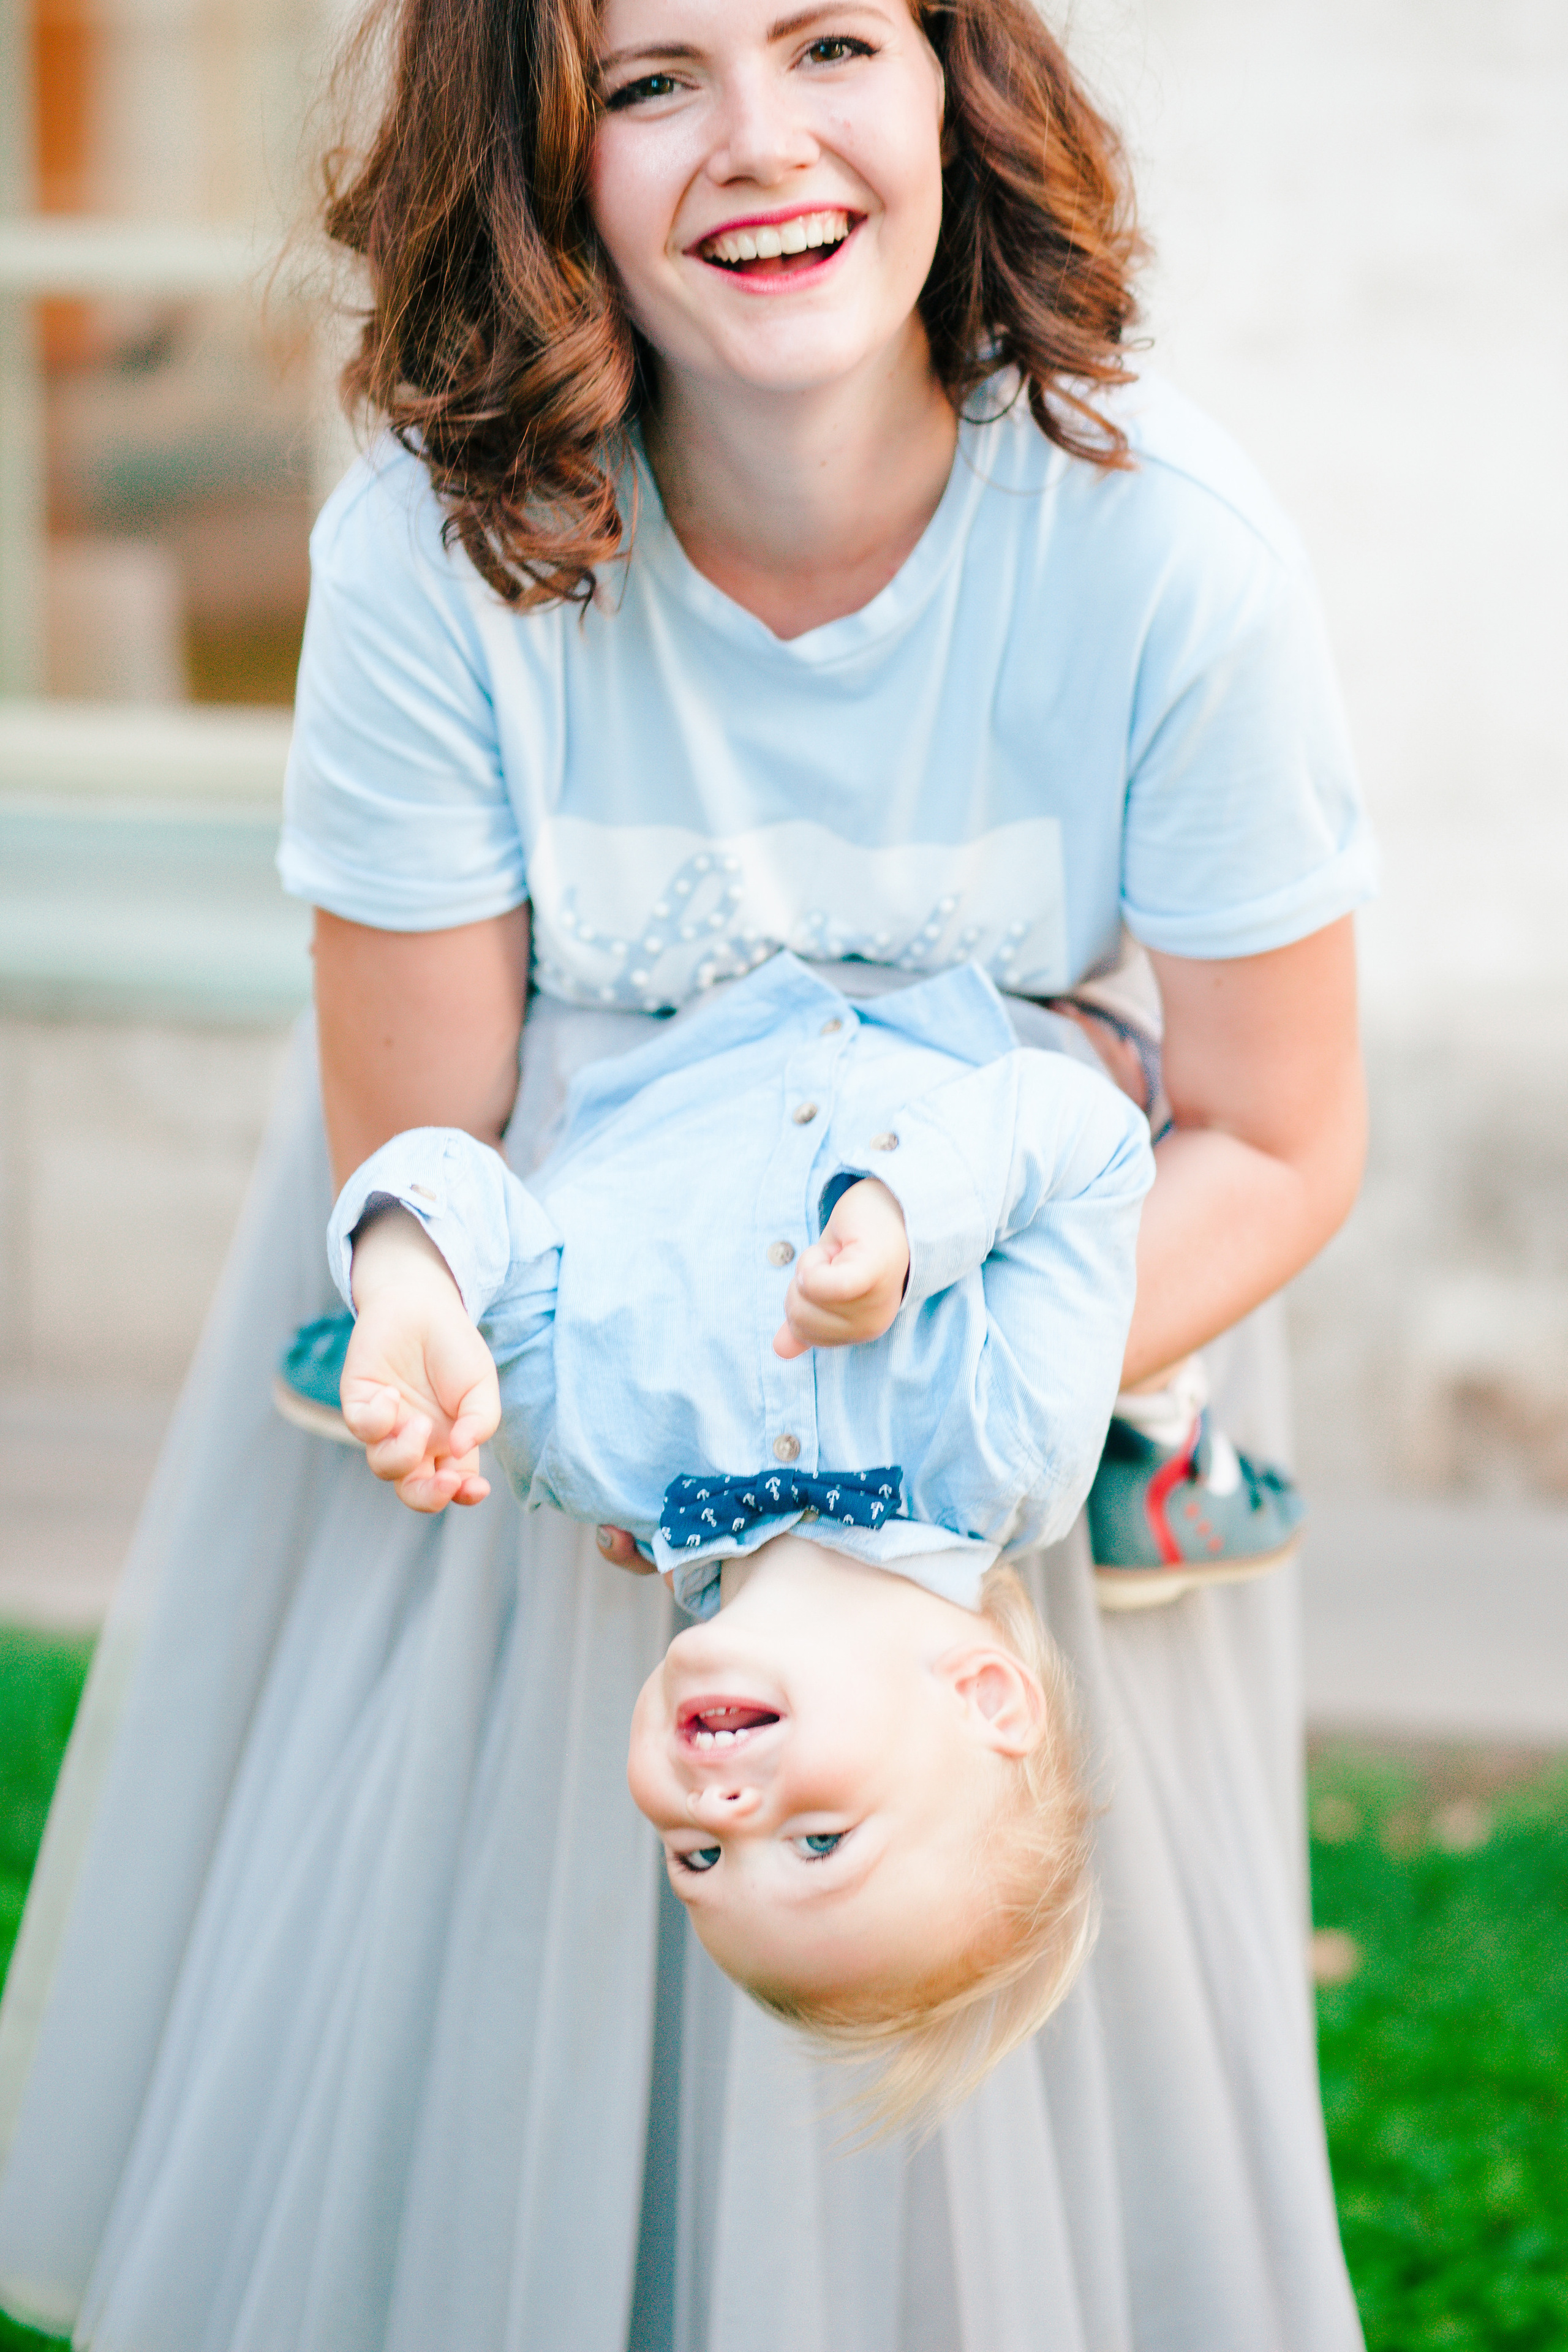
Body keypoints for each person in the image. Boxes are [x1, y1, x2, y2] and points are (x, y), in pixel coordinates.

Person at [0, 1, 1375, 2344]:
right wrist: (468, 1331)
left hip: (1017, 1323)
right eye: (646, 82)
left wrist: (935, 1420)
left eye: (834, 39)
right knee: (510, 2019)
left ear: (956, 84)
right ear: (538, 168)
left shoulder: (1171, 560)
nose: (761, 144)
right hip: (572, 1346)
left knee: (925, 1957)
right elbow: (421, 1140)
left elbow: (1277, 1133)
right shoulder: (434, 565)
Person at [326, 949, 1156, 2120]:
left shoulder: (579, 1451)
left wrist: (411, 1282)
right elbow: (1094, 1141)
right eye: (820, 1842)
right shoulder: (1014, 1449)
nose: (721, 1820)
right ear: (986, 1698)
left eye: (699, 1867)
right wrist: (913, 1216)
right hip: (941, 960)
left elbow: (459, 1177)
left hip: (657, 975)